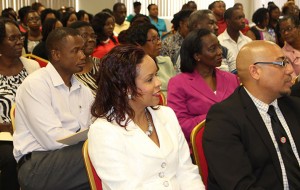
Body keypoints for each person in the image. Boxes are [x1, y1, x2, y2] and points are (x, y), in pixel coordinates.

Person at [88, 44, 205, 189]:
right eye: (149, 79)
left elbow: (187, 172)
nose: (159, 83)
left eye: (156, 74)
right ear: (126, 88)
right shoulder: (104, 131)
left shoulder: (166, 114)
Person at [203, 40, 300, 189]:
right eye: (281, 64)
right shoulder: (224, 120)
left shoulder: (293, 106)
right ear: (255, 71)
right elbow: (240, 185)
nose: (289, 70)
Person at [13, 27, 94, 190]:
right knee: (103, 154)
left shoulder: (83, 89)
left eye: (82, 50)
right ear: (56, 54)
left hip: (72, 159)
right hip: (37, 164)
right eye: (75, 51)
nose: (83, 56)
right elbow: (52, 139)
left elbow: (96, 124)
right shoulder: (35, 84)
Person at [167, 29, 240, 145]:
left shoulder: (231, 79)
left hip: (236, 141)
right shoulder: (178, 83)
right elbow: (180, 124)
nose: (220, 52)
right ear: (197, 56)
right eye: (212, 49)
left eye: (219, 46)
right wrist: (216, 117)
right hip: (201, 146)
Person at [0, 18, 40, 190]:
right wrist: (5, 127)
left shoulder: (33, 66)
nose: (19, 42)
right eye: (12, 38)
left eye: (20, 37)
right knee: (11, 159)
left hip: (31, 131)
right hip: (3, 137)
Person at [126, 23, 176, 97]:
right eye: (153, 40)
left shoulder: (166, 61)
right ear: (138, 45)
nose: (159, 42)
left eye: (158, 38)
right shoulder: (133, 67)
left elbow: (176, 89)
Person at [70, 21, 100, 96]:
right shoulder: (68, 73)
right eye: (84, 36)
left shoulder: (100, 63)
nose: (91, 39)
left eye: (93, 36)